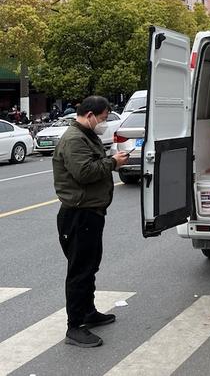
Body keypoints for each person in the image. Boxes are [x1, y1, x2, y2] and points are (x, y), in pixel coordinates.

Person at [52, 96, 129, 348]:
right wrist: (113, 162)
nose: (104, 123)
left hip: (90, 212)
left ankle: (88, 311)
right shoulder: (75, 139)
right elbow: (84, 173)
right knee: (79, 271)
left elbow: (93, 165)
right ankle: (74, 327)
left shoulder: (86, 135)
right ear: (90, 115)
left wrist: (112, 162)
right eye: (104, 118)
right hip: (78, 214)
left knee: (90, 266)